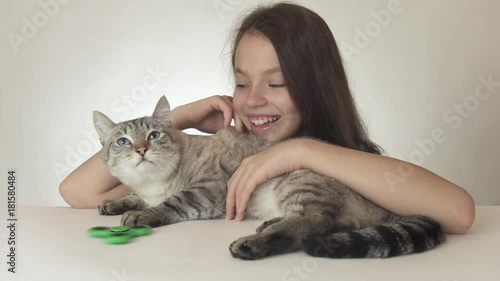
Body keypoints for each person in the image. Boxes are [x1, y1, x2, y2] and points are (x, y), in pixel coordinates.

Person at [59, 2, 475, 234]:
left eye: (276, 84)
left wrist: (300, 151)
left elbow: (458, 211)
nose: (254, 100)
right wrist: (174, 123)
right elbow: (78, 193)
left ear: (317, 86)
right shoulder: (220, 158)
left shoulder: (353, 160)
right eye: (241, 84)